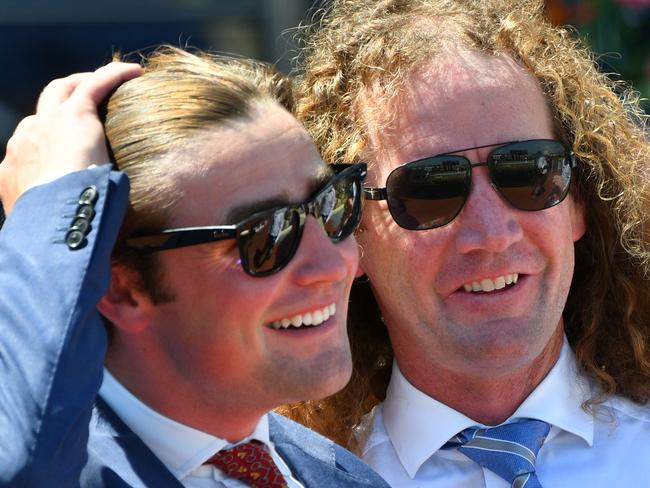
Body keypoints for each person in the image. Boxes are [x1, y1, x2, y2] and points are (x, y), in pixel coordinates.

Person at [281, 0, 650, 486]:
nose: (492, 234)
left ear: (577, 202)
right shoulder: (294, 479)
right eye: (430, 189)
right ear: (351, 233)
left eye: (528, 172)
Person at [0, 46, 389, 488]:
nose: (334, 263)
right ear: (120, 289)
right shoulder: (59, 473)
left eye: (333, 204)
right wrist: (57, 215)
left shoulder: (346, 478)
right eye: (266, 235)